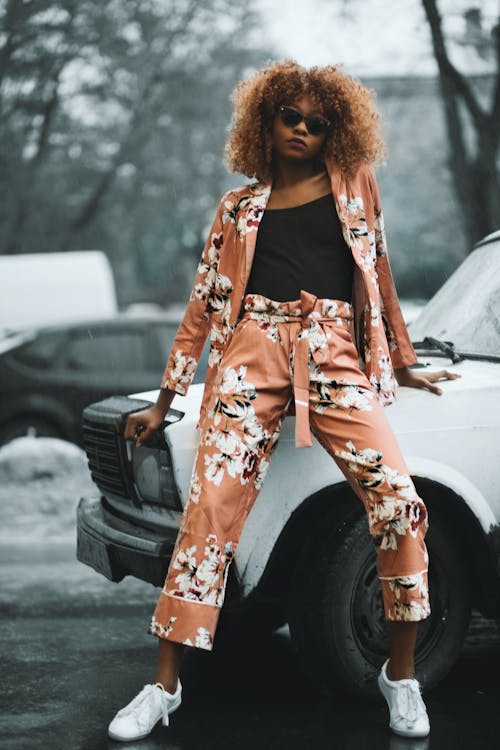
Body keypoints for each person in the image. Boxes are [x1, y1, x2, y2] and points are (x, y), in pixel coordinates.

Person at [107, 59, 460, 742]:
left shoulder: (354, 187)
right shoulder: (237, 210)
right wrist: (168, 393)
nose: (302, 129)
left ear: (336, 130)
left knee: (397, 499)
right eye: (289, 117)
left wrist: (405, 363)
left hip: (335, 353)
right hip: (251, 356)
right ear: (264, 123)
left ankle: (401, 675)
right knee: (208, 513)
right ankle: (163, 686)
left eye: (316, 122)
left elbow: (377, 273)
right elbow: (204, 305)